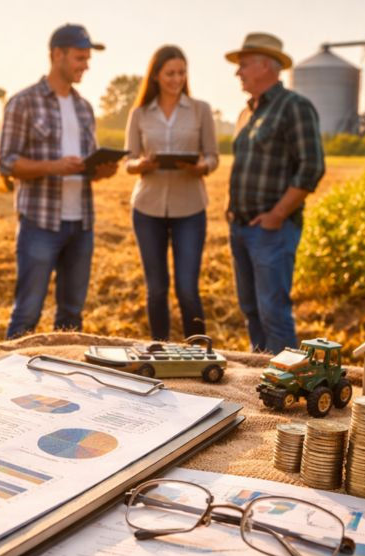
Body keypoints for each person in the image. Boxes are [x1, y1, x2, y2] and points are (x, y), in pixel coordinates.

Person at [0, 24, 118, 339]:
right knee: (27, 314)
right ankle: (11, 367)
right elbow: (6, 162)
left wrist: (102, 169)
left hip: (81, 225)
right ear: (57, 55)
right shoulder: (23, 102)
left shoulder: (84, 108)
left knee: (71, 316)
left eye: (88, 58)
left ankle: (65, 369)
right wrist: (54, 167)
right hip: (40, 224)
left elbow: (86, 165)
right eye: (80, 58)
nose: (86, 65)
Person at [224, 33, 325, 354]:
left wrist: (277, 215)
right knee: (251, 310)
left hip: (272, 231)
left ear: (265, 65)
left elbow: (311, 167)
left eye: (244, 65)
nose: (238, 72)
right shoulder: (247, 113)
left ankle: (284, 377)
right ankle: (259, 373)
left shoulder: (295, 107)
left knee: (273, 314)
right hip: (241, 227)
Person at [125, 45, 218, 341]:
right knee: (156, 289)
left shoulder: (201, 110)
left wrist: (202, 166)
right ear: (156, 75)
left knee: (187, 289)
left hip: (190, 209)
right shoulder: (139, 113)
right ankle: (160, 350)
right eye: (170, 73)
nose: (177, 79)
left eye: (181, 73)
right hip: (147, 209)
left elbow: (213, 156)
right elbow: (128, 160)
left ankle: (198, 353)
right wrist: (141, 164)